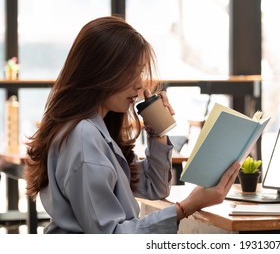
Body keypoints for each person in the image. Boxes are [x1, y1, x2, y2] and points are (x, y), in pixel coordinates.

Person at [23, 16, 240, 234]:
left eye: (140, 73)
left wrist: (158, 129)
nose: (139, 84)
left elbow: (156, 187)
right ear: (101, 71)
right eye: (130, 72)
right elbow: (112, 236)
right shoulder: (83, 137)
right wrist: (188, 206)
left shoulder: (97, 129)